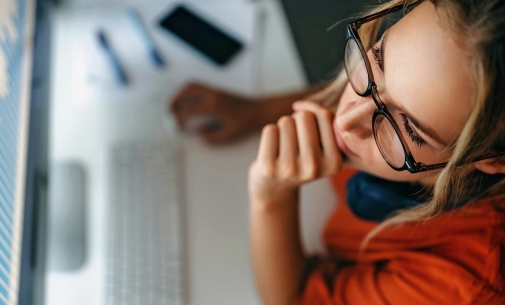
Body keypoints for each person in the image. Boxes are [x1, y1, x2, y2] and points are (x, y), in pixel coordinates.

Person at [170, 0, 505, 303]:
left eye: (409, 131)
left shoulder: (461, 284)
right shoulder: (403, 106)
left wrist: (271, 198)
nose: (344, 122)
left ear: (493, 160)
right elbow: (399, 90)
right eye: (376, 62)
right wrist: (257, 112)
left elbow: (295, 298)